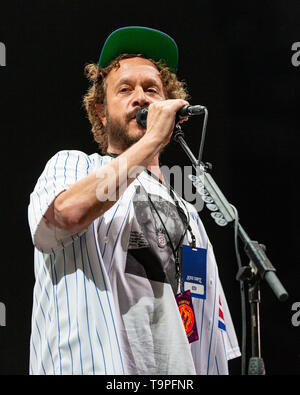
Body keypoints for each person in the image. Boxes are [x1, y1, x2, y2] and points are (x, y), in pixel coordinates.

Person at [28, 26, 240, 375]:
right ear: (100, 111)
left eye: (152, 89)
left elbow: (208, 337)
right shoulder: (73, 166)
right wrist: (150, 142)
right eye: (125, 89)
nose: (140, 98)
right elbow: (62, 217)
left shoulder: (190, 215)